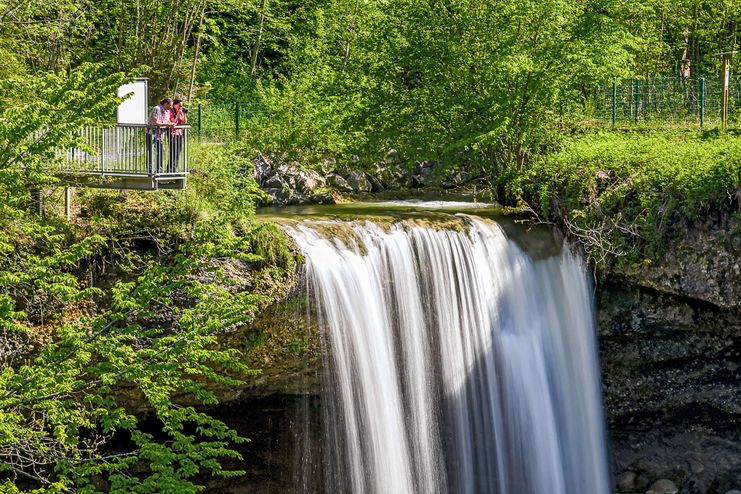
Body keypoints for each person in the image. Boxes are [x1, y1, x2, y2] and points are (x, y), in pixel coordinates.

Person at [146, 98, 174, 173]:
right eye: (170, 105)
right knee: (150, 152)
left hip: (160, 135)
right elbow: (155, 122)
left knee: (161, 152)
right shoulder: (157, 109)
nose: (171, 107)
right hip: (151, 134)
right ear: (165, 103)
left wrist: (171, 124)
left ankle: (159, 170)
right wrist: (167, 124)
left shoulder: (167, 111)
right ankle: (149, 170)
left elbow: (167, 121)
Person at [168, 98, 188, 173]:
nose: (180, 107)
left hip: (179, 133)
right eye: (179, 105)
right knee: (173, 152)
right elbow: (174, 121)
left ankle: (174, 169)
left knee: (178, 152)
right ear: (174, 105)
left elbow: (184, 120)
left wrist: (184, 113)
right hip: (172, 134)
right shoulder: (170, 111)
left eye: (181, 105)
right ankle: (169, 170)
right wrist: (178, 113)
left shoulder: (180, 111)